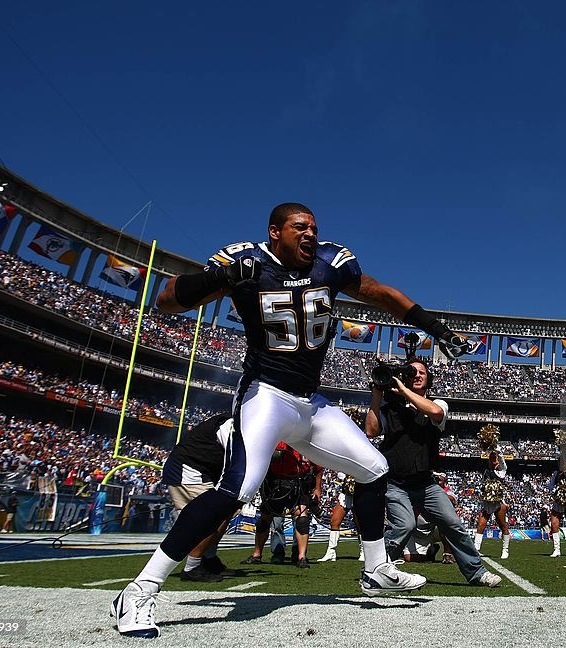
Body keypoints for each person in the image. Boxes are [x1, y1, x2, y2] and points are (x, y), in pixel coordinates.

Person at [112, 202, 470, 638]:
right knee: (237, 490)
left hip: (311, 402)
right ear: (275, 232)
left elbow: (379, 292)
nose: (310, 234)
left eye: (314, 228)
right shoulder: (244, 261)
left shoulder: (329, 264)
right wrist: (221, 278)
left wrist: (437, 329)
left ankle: (377, 569)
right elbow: (166, 300)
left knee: (375, 469)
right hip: (265, 394)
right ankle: (139, 591)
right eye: (300, 227)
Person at [367, 358, 501, 588]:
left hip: (425, 483)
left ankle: (476, 572)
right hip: (395, 482)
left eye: (422, 373)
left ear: (429, 379)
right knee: (404, 526)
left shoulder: (438, 403)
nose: (418, 375)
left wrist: (404, 391)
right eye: (413, 372)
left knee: (452, 523)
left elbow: (435, 412)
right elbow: (370, 431)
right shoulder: (391, 408)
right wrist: (377, 394)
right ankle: (376, 568)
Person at [161, 414, 239, 582]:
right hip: (189, 470)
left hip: (198, 470)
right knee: (211, 517)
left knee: (223, 514)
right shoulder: (231, 425)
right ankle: (192, 566)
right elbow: (233, 459)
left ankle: (208, 558)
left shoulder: (235, 424)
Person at [241, 442, 321, 568]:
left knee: (302, 521)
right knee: (267, 520)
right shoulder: (280, 439)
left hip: (298, 484)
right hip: (276, 484)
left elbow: (318, 467)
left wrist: (317, 488)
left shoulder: (306, 442)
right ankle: (259, 554)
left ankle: (301, 557)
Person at [474, 449, 512, 560]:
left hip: (499, 503)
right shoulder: (486, 472)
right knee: (481, 525)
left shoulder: (502, 471)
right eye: (491, 460)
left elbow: (501, 458)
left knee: (503, 526)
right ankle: (476, 550)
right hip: (487, 502)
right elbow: (482, 486)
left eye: (494, 460)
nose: (493, 462)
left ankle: (505, 550)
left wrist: (496, 450)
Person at [316, 473, 362, 562]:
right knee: (334, 521)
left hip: (359, 493)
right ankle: (331, 552)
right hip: (346, 493)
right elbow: (340, 474)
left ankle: (363, 551)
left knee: (359, 524)